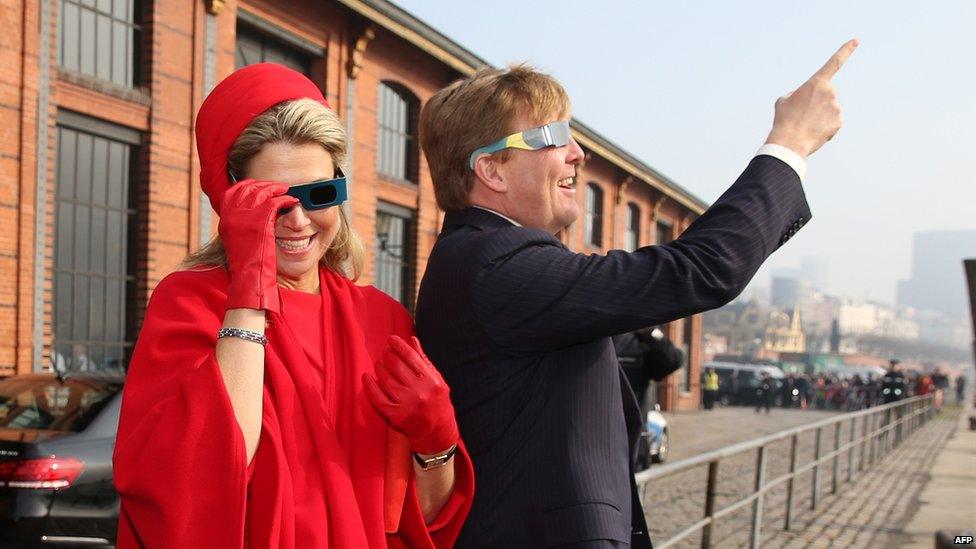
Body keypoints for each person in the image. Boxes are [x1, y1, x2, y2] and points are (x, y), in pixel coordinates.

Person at [415, 38, 858, 547]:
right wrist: (789, 144)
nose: (577, 154)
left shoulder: (484, 256)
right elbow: (700, 268)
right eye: (553, 135)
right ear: (490, 169)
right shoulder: (493, 263)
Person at [112, 64, 473, 548]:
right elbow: (196, 488)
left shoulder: (382, 320)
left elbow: (419, 521)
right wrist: (247, 289)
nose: (298, 221)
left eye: (319, 194)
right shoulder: (190, 302)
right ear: (229, 198)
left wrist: (437, 445)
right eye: (273, 201)